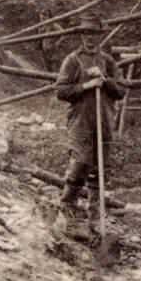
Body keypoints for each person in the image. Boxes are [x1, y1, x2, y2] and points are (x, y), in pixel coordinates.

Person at [54, 15, 127, 238]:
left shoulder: (107, 61)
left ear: (99, 37)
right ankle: (67, 205)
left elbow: (121, 91)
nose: (90, 39)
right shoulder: (72, 60)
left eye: (94, 35)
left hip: (104, 121)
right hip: (81, 121)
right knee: (81, 162)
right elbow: (61, 91)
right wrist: (87, 85)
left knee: (100, 168)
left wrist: (105, 80)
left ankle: (95, 216)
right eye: (86, 34)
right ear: (81, 36)